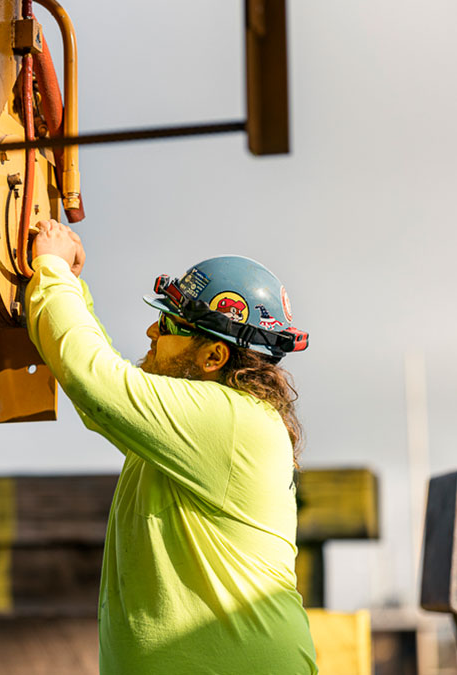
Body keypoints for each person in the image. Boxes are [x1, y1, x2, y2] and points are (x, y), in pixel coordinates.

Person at [26, 219, 317, 674]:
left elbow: (94, 381)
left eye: (168, 323)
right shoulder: (209, 427)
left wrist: (51, 270)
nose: (150, 332)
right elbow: (100, 395)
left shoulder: (231, 419)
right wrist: (72, 287)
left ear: (213, 357)